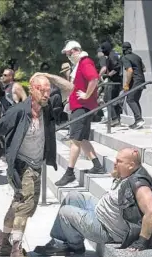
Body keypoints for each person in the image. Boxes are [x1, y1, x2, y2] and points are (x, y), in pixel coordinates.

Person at [0, 75, 58, 257]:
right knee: (25, 204)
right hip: (21, 165)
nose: (46, 93)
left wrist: (49, 76)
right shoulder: (18, 111)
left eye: (48, 89)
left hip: (35, 164)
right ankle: (16, 251)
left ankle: (3, 243)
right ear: (32, 90)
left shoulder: (47, 108)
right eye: (41, 89)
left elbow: (68, 89)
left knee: (18, 203)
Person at [34, 148, 152, 256]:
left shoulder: (139, 184)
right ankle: (59, 242)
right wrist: (118, 173)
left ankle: (74, 246)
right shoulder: (129, 173)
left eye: (119, 161)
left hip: (108, 230)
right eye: (116, 159)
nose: (115, 163)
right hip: (101, 214)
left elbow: (151, 211)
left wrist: (142, 241)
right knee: (72, 196)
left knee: (65, 212)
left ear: (131, 165)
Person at [55, 40, 105, 187]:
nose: (69, 56)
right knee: (81, 138)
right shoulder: (80, 64)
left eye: (70, 53)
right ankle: (97, 166)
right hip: (80, 106)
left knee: (75, 139)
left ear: (76, 50)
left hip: (83, 107)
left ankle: (69, 172)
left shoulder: (85, 62)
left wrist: (87, 95)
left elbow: (94, 79)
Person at [0, 68, 27, 158]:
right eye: (3, 75)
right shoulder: (2, 88)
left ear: (11, 76)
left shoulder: (15, 86)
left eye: (5, 75)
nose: (2, 76)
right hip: (3, 117)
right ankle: (1, 148)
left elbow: (25, 99)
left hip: (13, 117)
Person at [121, 42, 146, 129]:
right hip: (142, 80)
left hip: (135, 81)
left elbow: (130, 71)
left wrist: (126, 84)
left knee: (130, 100)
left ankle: (139, 120)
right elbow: (144, 69)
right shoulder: (137, 57)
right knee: (135, 100)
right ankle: (138, 121)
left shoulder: (125, 57)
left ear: (123, 49)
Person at [101, 41, 123, 126]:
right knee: (114, 101)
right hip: (115, 81)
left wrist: (109, 75)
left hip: (114, 81)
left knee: (107, 99)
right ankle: (117, 118)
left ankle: (114, 119)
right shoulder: (112, 55)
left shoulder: (111, 56)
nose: (102, 51)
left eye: (103, 49)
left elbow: (117, 67)